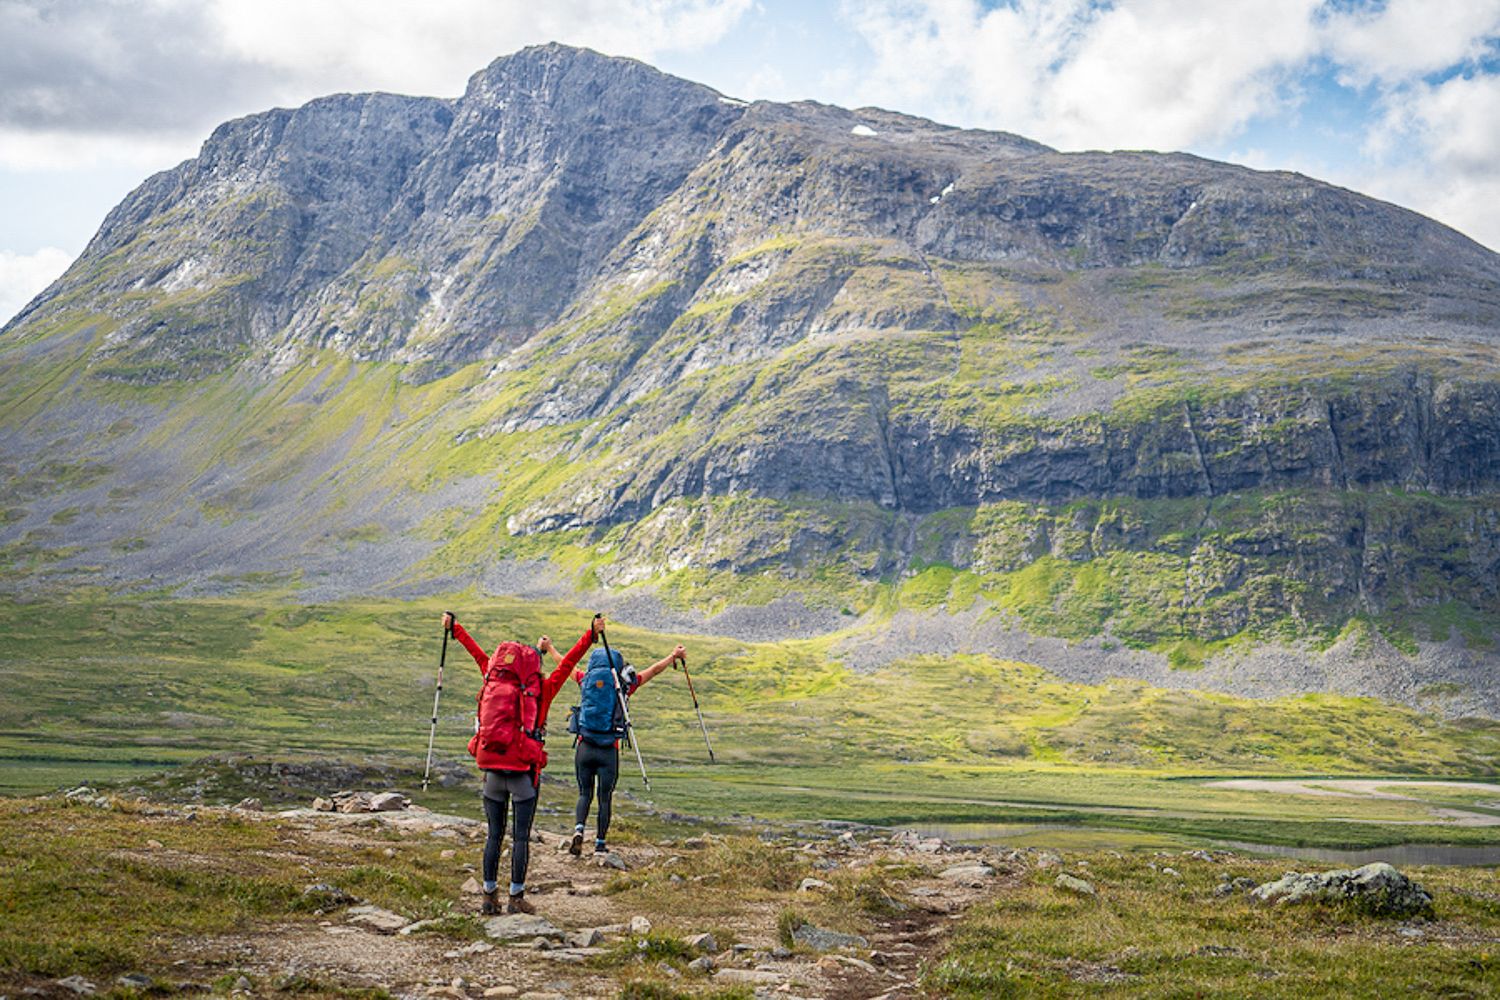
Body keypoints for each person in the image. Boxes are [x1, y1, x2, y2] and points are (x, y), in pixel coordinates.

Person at [443, 610, 598, 916]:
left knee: (493, 835)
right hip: (522, 777)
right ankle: (516, 898)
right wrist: (590, 635)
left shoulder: (492, 675)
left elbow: (476, 653)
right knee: (521, 837)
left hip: (491, 773)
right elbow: (568, 665)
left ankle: (488, 896)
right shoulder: (542, 689)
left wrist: (455, 628)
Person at [568, 632, 686, 857]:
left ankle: (579, 830)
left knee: (584, 793)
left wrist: (550, 648)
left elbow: (565, 667)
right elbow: (653, 671)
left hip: (584, 747)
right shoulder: (625, 686)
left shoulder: (585, 679)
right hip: (608, 750)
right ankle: (600, 844)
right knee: (605, 798)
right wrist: (673, 656)